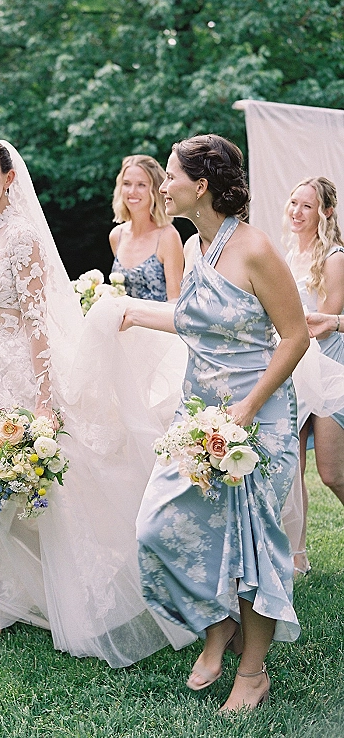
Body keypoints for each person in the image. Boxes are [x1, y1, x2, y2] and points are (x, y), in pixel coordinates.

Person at [0, 137, 195, 663]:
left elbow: (39, 324)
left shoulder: (24, 240)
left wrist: (43, 400)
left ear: (8, 178)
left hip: (13, 371)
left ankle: (67, 590)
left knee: (34, 495)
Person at [123, 134, 309, 711]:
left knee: (252, 545)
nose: (162, 186)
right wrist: (124, 314)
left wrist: (248, 408)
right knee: (156, 527)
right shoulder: (200, 246)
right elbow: (196, 320)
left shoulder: (253, 248)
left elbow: (296, 335)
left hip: (257, 416)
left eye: (171, 176)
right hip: (197, 412)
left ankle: (252, 671)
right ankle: (216, 625)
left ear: (200, 186)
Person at [283, 177, 344, 577]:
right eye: (293, 203)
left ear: (325, 211)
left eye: (307, 206)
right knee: (292, 468)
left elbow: (324, 322)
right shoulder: (287, 253)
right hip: (294, 366)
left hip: (327, 371)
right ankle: (297, 554)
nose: (296, 212)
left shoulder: (334, 257)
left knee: (331, 471)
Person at [109, 154, 184, 300]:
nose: (132, 191)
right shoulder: (116, 236)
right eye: (127, 184)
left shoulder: (167, 236)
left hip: (156, 322)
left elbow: (176, 301)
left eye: (141, 185)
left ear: (155, 190)